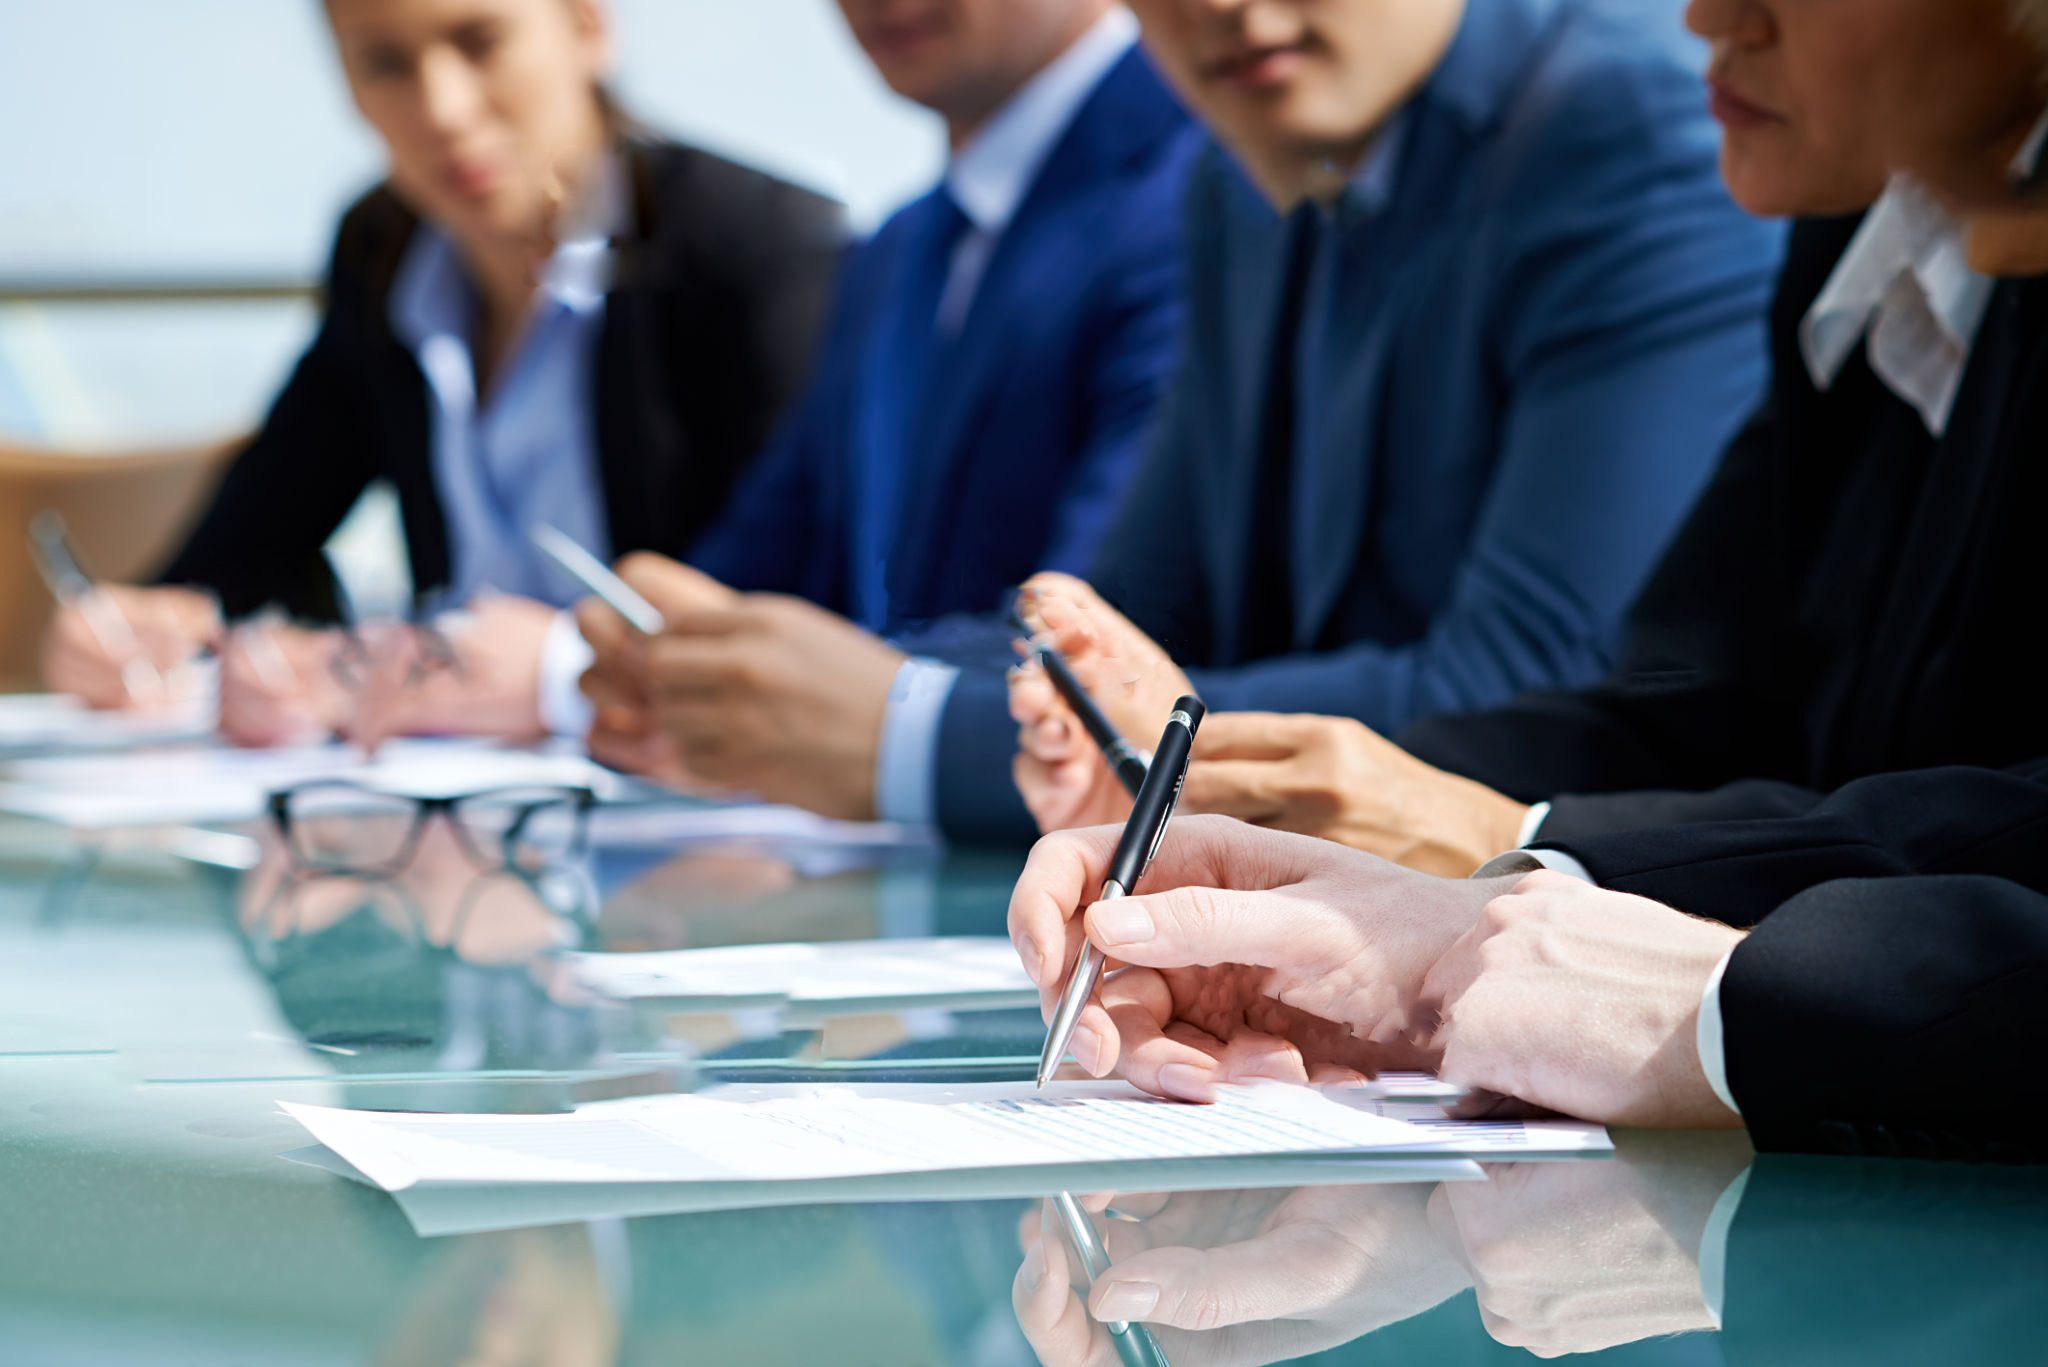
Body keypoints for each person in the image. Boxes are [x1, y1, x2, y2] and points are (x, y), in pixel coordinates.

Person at [580, 0, 1783, 837]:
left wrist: (901, 735)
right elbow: (1125, 621)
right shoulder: (1240, 179)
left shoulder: (1631, 126)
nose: (1219, 4)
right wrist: (774, 690)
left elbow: (1531, 684)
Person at [1014, 0, 2048, 875]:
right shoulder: (1852, 237)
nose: (1705, 16)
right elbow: (1704, 701)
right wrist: (1261, 774)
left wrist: (1509, 836)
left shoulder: (1624, 124)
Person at [40, 0, 845, 745]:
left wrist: (564, 667)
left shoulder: (753, 244)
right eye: (385, 64)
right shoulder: (382, 252)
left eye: (479, 42)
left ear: (587, 26)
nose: (441, 110)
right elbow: (256, 533)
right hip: (440, 809)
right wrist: (148, 627)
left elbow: (794, 596)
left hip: (682, 806)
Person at [573, 0, 1201, 805]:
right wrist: (652, 649)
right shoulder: (898, 248)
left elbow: (1121, 625)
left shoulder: (1216, 190)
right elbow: (769, 552)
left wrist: (877, 711)